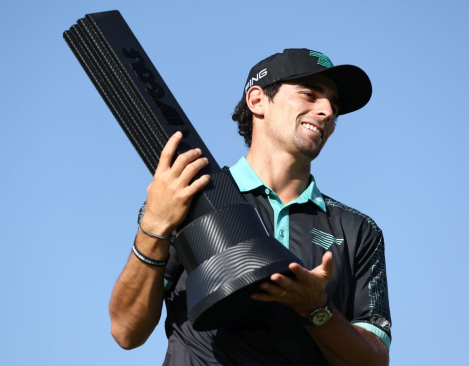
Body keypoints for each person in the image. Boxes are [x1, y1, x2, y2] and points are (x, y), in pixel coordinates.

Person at [109, 48, 392, 366]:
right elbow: (126, 331)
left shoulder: (359, 231)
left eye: (334, 106)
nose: (327, 110)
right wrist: (155, 224)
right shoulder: (188, 194)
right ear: (257, 100)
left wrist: (316, 308)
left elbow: (374, 361)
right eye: (309, 94)